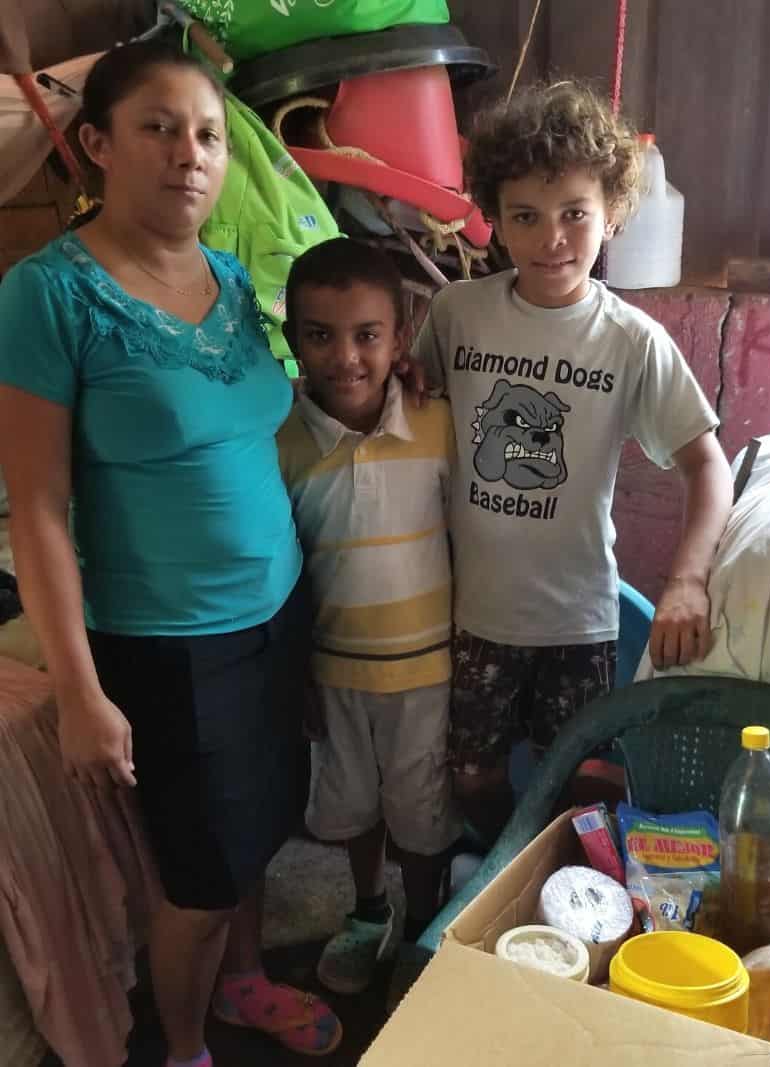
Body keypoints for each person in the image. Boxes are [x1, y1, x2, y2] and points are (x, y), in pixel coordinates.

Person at [0, 39, 340, 1065]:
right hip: (171, 645)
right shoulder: (48, 295)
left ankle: (243, 983)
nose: (189, 154)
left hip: (280, 610)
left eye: (205, 134)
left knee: (263, 825)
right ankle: (186, 1044)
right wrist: (82, 688)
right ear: (97, 144)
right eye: (159, 129)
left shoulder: (232, 279)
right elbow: (38, 506)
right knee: (194, 879)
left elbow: (258, 422)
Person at [411, 80, 733, 844]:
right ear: (492, 217)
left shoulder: (631, 339)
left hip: (578, 623)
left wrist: (687, 578)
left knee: (578, 783)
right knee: (472, 775)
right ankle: (495, 871)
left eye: (574, 214)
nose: (551, 237)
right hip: (470, 616)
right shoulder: (455, 314)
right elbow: (413, 410)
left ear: (613, 213)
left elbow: (709, 465)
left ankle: (555, 889)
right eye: (525, 215)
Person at [276, 238, 461, 993]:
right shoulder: (281, 443)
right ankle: (366, 910)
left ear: (400, 333)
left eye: (367, 335)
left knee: (421, 811)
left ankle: (424, 923)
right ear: (292, 340)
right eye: (319, 334)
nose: (345, 357)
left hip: (430, 671)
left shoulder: (437, 420)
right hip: (335, 669)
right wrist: (297, 676)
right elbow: (284, 570)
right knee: (353, 806)